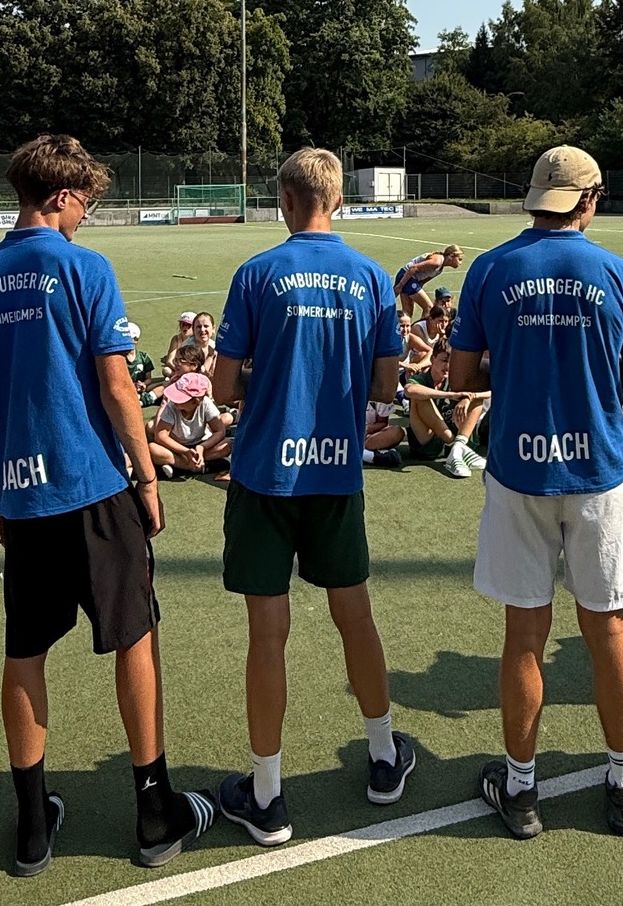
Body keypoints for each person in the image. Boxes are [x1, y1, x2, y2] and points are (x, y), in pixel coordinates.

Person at [0, 134, 215, 873]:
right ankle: (154, 812)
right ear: (63, 197)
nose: (86, 217)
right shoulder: (83, 267)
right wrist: (147, 476)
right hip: (94, 485)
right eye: (86, 205)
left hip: (23, 493)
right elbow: (117, 384)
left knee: (25, 652)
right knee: (135, 638)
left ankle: (33, 825)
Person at [450, 145, 623, 839]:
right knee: (608, 632)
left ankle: (521, 790)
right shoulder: (617, 272)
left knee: (524, 634)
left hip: (518, 470)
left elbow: (462, 374)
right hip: (599, 471)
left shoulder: (490, 268)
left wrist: (516, 360)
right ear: (589, 200)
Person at [209, 148, 413, 845]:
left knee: (268, 635)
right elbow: (385, 386)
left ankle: (267, 796)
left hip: (265, 473)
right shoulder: (371, 276)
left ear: (286, 201)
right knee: (356, 617)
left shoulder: (257, 272)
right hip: (336, 474)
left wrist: (268, 377)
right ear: (339, 201)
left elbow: (222, 387)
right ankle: (383, 757)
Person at [403, 337, 488, 479]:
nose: (448, 366)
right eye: (444, 360)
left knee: (476, 397)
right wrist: (451, 395)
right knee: (419, 397)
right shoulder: (422, 379)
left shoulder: (456, 379)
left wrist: (469, 397)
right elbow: (409, 390)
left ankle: (458, 447)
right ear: (432, 359)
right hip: (428, 443)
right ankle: (455, 446)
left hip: (455, 433)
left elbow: (491, 392)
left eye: (452, 361)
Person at [151, 372, 235, 478]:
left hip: (202, 444)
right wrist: (184, 451)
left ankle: (179, 468)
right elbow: (160, 436)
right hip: (177, 448)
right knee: (153, 449)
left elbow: (219, 430)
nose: (174, 399)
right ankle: (199, 466)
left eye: (180, 397)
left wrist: (202, 447)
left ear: (195, 401)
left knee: (227, 445)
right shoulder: (171, 407)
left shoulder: (206, 404)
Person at [394, 244, 465, 319]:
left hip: (410, 279)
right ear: (451, 255)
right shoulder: (437, 261)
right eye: (459, 259)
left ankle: (400, 325)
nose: (460, 263)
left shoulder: (439, 269)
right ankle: (422, 326)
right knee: (429, 307)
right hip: (407, 276)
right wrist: (400, 286)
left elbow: (422, 282)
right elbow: (413, 268)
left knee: (407, 312)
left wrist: (415, 293)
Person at [128, 323, 160, 406]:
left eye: (129, 339)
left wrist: (143, 384)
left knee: (164, 384)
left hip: (143, 389)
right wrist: (132, 386)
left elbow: (148, 379)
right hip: (127, 389)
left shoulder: (144, 357)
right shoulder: (120, 359)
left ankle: (143, 399)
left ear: (136, 340)